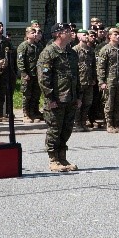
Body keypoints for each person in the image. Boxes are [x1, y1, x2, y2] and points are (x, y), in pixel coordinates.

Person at [38, 22, 81, 172]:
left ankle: (62, 157)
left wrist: (78, 96)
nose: (71, 33)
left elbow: (76, 76)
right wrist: (50, 98)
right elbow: (44, 78)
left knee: (66, 129)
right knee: (55, 130)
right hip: (56, 99)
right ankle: (53, 159)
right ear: (58, 34)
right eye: (67, 31)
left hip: (70, 98)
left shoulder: (72, 53)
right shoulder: (49, 52)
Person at [96, 27, 119, 132]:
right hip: (109, 80)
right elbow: (101, 67)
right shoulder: (105, 49)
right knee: (109, 103)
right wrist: (102, 82)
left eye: (118, 34)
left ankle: (116, 123)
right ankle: (109, 124)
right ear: (109, 36)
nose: (118, 36)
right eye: (115, 34)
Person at [17, 22, 45, 123]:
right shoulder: (23, 46)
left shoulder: (38, 45)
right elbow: (20, 61)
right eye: (32, 33)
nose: (34, 34)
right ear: (27, 34)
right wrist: (24, 73)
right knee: (27, 95)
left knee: (35, 94)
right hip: (27, 75)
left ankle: (33, 112)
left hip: (36, 74)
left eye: (35, 33)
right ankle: (26, 114)